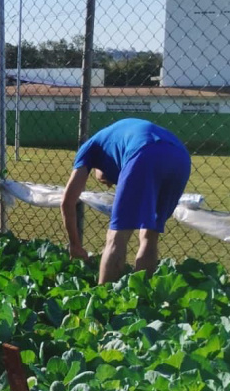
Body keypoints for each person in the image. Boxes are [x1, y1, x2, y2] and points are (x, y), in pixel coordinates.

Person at [61, 118, 191, 285]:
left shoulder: (90, 147)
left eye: (105, 181)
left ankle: (103, 297)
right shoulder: (117, 138)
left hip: (143, 152)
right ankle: (141, 294)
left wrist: (75, 245)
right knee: (150, 235)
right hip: (181, 157)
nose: (110, 184)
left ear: (97, 166)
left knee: (116, 237)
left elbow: (68, 201)